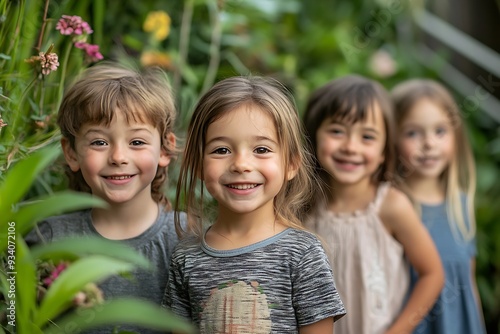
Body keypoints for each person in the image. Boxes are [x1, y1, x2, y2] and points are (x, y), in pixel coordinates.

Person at [163, 76, 346, 333]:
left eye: (261, 149)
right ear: (197, 163)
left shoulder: (302, 254)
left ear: (291, 163)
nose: (241, 164)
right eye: (221, 150)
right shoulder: (186, 257)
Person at [25, 62, 184, 334]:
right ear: (71, 152)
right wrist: (38, 302)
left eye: (137, 142)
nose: (118, 157)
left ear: (165, 149)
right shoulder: (47, 239)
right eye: (99, 142)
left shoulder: (187, 237)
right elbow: (13, 316)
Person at [302, 74, 444, 334]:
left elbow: (432, 274)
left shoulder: (391, 206)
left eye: (367, 137)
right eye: (336, 131)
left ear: (383, 152)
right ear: (313, 136)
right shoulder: (301, 207)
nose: (350, 147)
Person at [391, 78, 486, 334]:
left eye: (440, 131)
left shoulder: (461, 205)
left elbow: (469, 284)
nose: (429, 144)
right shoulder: (391, 208)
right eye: (413, 133)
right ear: (392, 139)